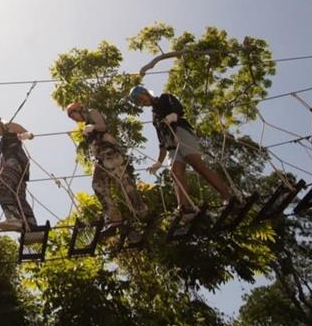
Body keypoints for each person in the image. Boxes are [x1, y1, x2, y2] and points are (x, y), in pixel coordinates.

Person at [129, 86, 241, 219]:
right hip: (171, 143)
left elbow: (178, 108)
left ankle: (229, 197)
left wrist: (173, 116)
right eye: (139, 103)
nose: (142, 103)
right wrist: (158, 162)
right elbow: (161, 141)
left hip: (181, 132)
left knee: (198, 166)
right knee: (175, 173)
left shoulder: (165, 97)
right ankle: (185, 209)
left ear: (145, 92)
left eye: (141, 99)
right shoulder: (154, 118)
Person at [65, 101, 148, 229]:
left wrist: (93, 127)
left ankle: (142, 212)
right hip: (100, 159)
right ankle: (114, 219)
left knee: (124, 184)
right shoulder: (86, 126)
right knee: (98, 185)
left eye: (72, 115)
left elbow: (102, 126)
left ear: (79, 109)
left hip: (110, 154)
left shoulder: (92, 112)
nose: (73, 119)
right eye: (71, 117)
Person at [0, 114, 39, 233]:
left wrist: (26, 136)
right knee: (18, 197)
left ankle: (13, 218)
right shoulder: (1, 144)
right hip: (15, 166)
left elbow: (28, 133)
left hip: (16, 161)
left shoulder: (10, 127)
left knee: (1, 186)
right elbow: (1, 166)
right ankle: (31, 227)